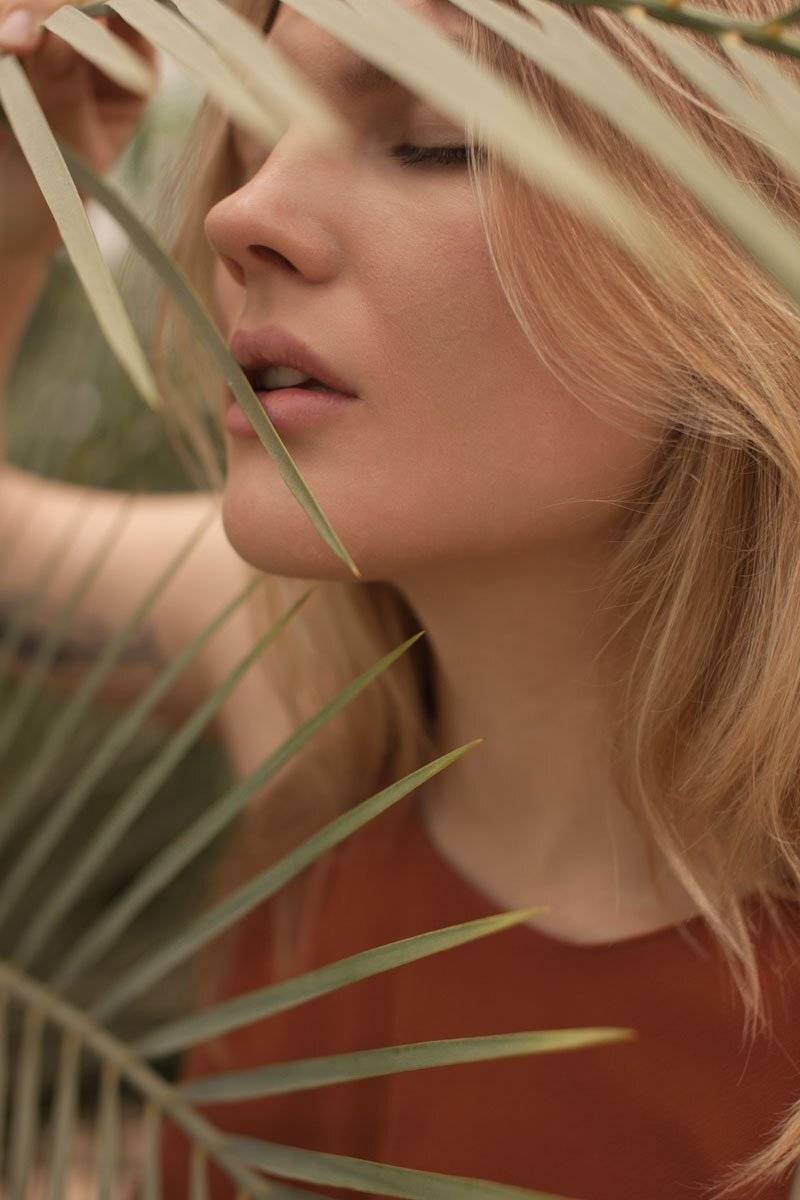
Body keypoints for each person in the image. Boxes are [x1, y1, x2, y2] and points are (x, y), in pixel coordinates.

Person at [2, 0, 800, 1196]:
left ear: (745, 250)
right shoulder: (310, 686)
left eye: (432, 137)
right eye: (256, 129)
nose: (239, 210)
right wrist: (17, 214)